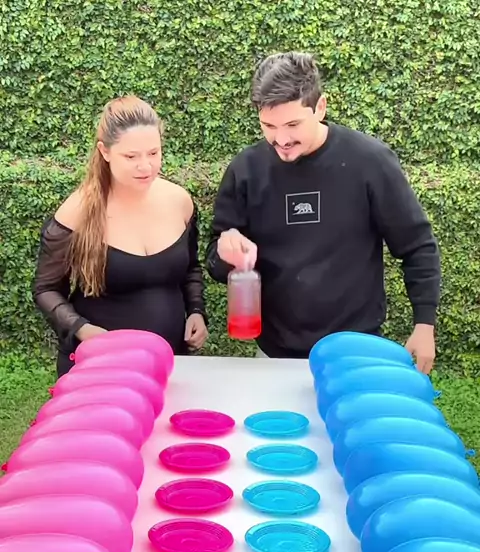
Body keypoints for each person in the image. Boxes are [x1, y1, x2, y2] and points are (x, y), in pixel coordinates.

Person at [206, 52, 440, 373]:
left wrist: (424, 324)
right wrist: (226, 252)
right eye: (268, 126)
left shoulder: (369, 161)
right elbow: (216, 262)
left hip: (355, 350)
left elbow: (417, 245)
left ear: (320, 107)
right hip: (275, 355)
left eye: (293, 124)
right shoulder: (246, 170)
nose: (281, 139)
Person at [33, 95, 208, 376]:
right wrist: (81, 329)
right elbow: (46, 289)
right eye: (131, 156)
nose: (146, 166)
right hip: (100, 367)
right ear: (105, 152)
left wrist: (196, 310)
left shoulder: (180, 201)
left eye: (154, 153)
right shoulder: (78, 212)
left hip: (169, 362)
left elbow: (190, 268)